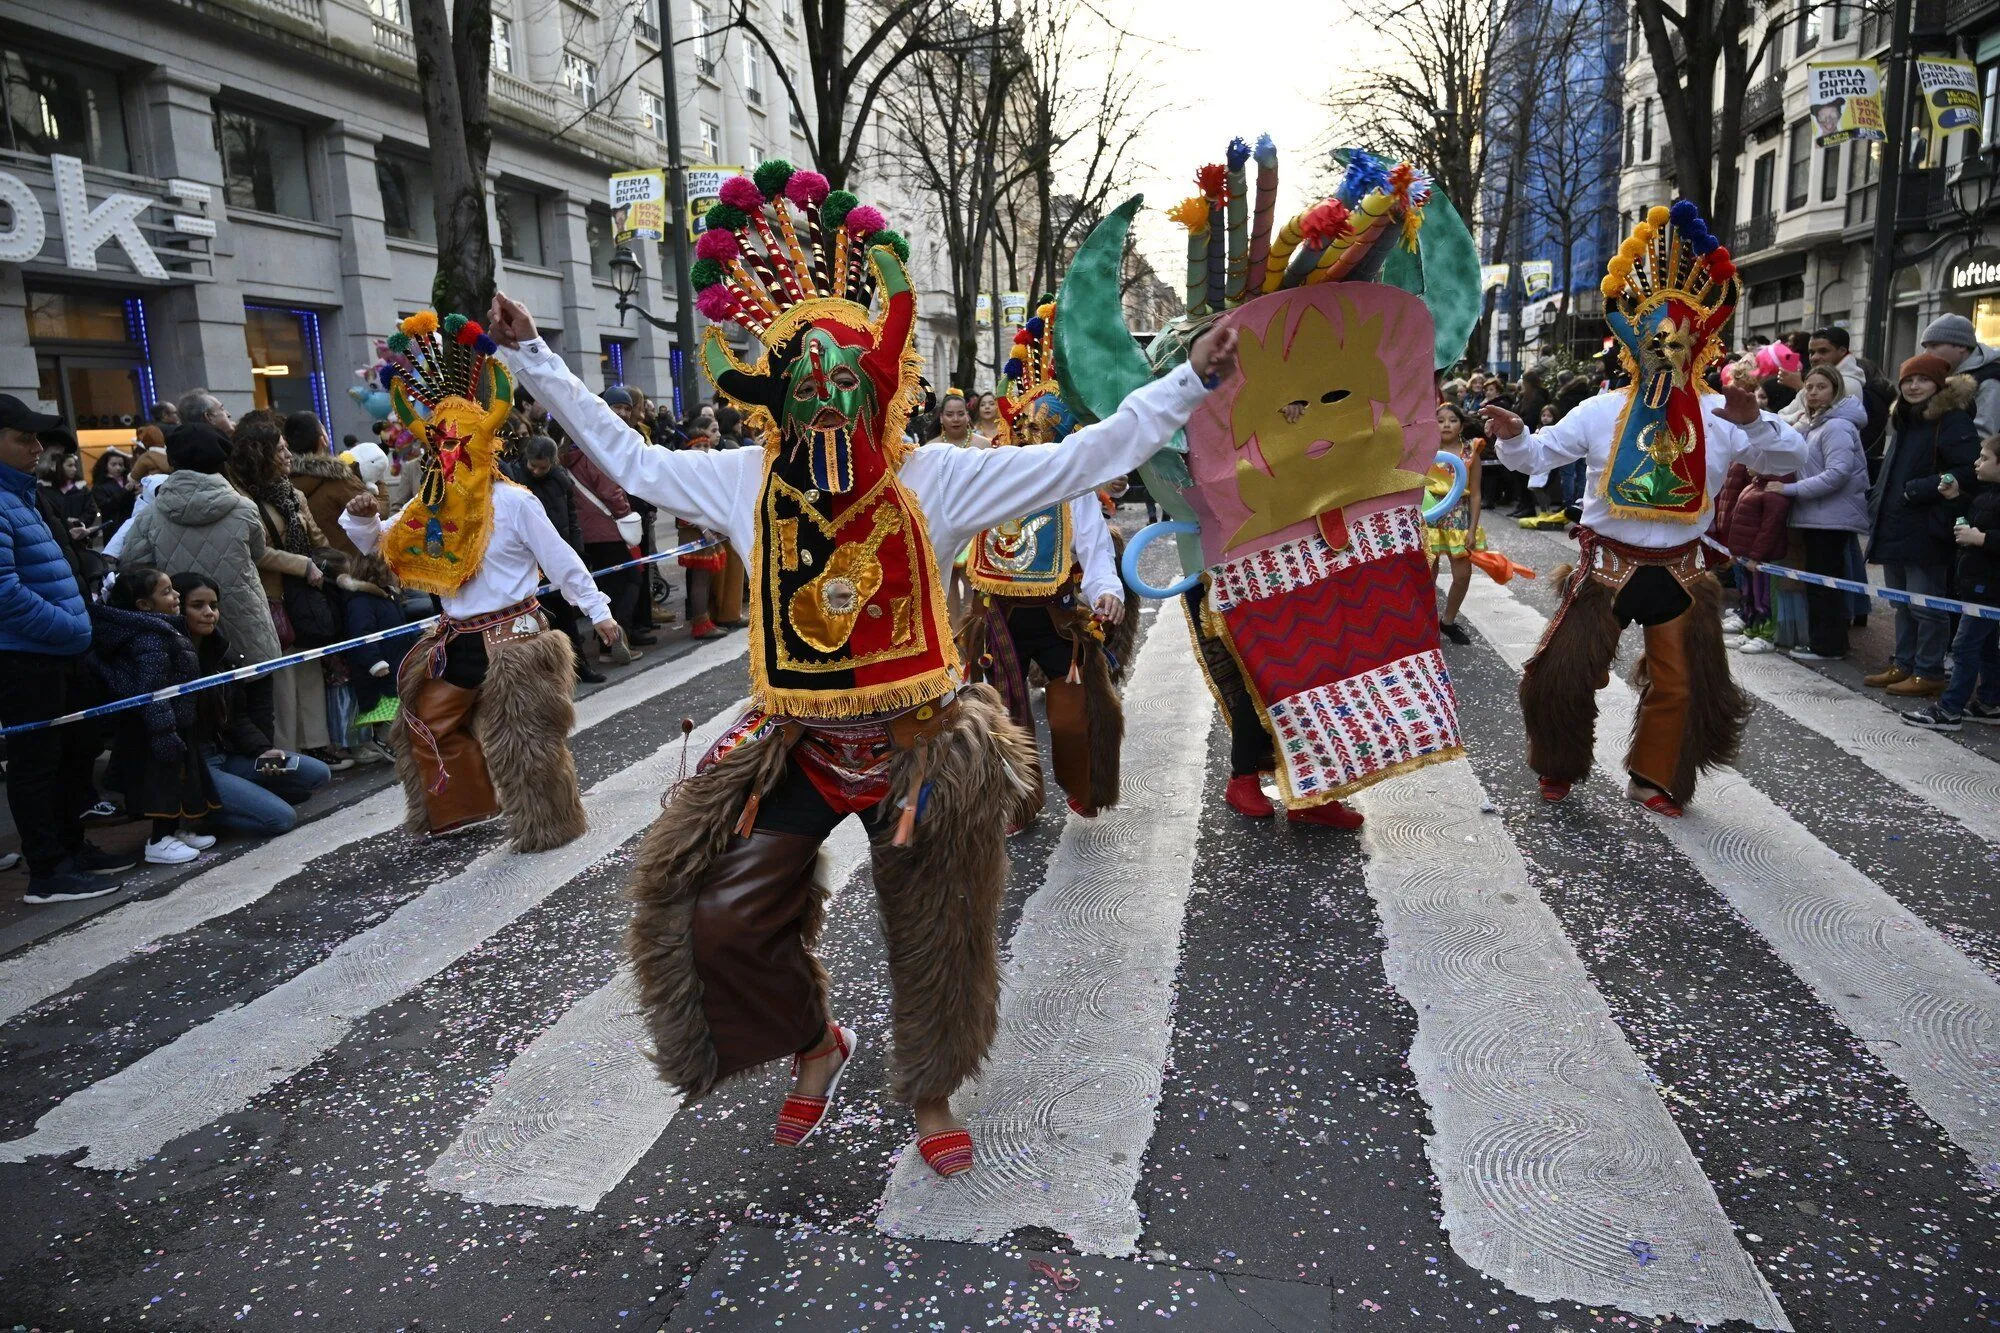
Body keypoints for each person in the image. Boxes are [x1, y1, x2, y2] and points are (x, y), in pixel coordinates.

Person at [486, 162, 1227, 1179]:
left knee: (935, 929)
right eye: (805, 394)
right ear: (774, 402)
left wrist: (1192, 379)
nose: (826, 413)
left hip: (920, 746)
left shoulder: (936, 477)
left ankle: (927, 1090)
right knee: (719, 913)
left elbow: (1085, 457)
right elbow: (628, 457)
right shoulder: (741, 478)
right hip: (798, 745)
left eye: (848, 390)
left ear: (882, 390)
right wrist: (531, 356)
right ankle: (813, 1042)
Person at [1482, 202, 1804, 818]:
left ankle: (1656, 778)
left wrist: (1757, 422)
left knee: (1683, 686)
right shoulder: (1603, 409)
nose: (1668, 349)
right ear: (1635, 342)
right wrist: (1517, 434)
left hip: (1683, 569)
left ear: (1700, 344)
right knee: (1561, 677)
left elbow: (1794, 461)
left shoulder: (1720, 412)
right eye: (1656, 338)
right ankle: (1559, 765)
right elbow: (1535, 460)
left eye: (1680, 340)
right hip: (1606, 567)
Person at [340, 309, 622, 852]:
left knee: (527, 745)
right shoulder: (431, 505)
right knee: (422, 724)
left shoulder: (515, 502)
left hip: (515, 643)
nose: (448, 455)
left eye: (458, 443)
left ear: (482, 444)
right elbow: (378, 542)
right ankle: (465, 808)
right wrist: (361, 517)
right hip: (454, 639)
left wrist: (600, 612)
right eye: (439, 446)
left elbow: (563, 560)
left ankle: (550, 826)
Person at [957, 303, 1130, 828]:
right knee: (1004, 720)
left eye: (1048, 434)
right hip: (996, 618)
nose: (1036, 440)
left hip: (1055, 616)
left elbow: (1095, 550)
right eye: (1029, 430)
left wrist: (1107, 592)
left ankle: (1081, 782)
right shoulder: (981, 477)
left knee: (1070, 715)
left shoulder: (1071, 487)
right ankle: (1016, 803)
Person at [0, 394, 136, 903]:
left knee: (70, 756)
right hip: (26, 657)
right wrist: (68, 626)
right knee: (36, 764)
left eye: (37, 438)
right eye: (22, 438)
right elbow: (5, 592)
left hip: (57, 650)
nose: (36, 448)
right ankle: (48, 869)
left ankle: (71, 849)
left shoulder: (24, 494)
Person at [171, 572, 334, 834]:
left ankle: (236, 796)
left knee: (317, 774)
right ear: (178, 608)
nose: (209, 613)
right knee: (281, 819)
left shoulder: (222, 653)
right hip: (197, 763)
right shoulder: (173, 657)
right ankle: (204, 814)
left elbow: (236, 716)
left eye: (213, 606)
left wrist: (261, 749)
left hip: (228, 755)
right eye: (197, 606)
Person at [119, 423, 282, 674]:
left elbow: (134, 567)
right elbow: (258, 553)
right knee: (258, 707)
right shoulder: (244, 509)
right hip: (247, 624)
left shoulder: (149, 516)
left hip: (183, 634)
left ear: (172, 461)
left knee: (203, 708)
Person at [228, 409, 341, 764]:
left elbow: (315, 537)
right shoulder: (243, 498)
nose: (288, 455)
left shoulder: (292, 494)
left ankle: (317, 745)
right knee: (284, 679)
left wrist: (327, 561)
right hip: (272, 594)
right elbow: (258, 552)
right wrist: (302, 564)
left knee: (309, 670)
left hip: (303, 592)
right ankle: (290, 752)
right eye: (279, 450)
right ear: (262, 456)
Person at [1864, 356, 1980, 697]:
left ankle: (1928, 670)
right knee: (1901, 601)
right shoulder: (1905, 418)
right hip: (1895, 521)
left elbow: (1968, 470)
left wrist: (1921, 489)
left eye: (1923, 380)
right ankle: (1904, 663)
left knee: (1926, 605)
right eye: (1908, 380)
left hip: (1927, 526)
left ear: (1938, 384)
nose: (1914, 386)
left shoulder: (1952, 419)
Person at [91, 567, 221, 864]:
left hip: (176, 721)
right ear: (143, 606)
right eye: (166, 592)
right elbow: (152, 692)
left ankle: (174, 831)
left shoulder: (164, 629)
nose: (176, 596)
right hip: (160, 727)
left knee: (182, 781)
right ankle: (159, 839)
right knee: (162, 786)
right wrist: (164, 731)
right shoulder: (151, 638)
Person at [1769, 366, 1870, 660]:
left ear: (1836, 390)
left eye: (1821, 387)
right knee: (1818, 583)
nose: (1813, 392)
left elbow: (1837, 474)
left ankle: (1828, 646)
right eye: (1809, 387)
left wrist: (1789, 490)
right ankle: (1823, 642)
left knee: (1826, 585)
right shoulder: (1815, 424)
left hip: (1831, 518)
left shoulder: (1838, 426)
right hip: (1817, 515)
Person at [1904, 437, 2000, 730]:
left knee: (1964, 647)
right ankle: (1989, 702)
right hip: (1977, 582)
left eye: (1984, 458)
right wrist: (1955, 498)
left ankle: (1950, 709)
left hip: (1989, 585)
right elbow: (1976, 514)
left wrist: (1982, 539)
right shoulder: (1989, 493)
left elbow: (1985, 530)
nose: (1976, 463)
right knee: (1985, 647)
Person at [504, 433, 605, 683]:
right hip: (530, 561)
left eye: (543, 467)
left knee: (566, 618)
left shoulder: (560, 481)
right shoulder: (515, 481)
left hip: (558, 553)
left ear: (552, 463)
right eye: (533, 466)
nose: (537, 471)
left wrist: (577, 549)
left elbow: (572, 517)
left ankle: (580, 667)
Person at [560, 431, 646, 658]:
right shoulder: (592, 457)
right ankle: (618, 637)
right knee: (631, 581)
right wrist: (625, 514)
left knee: (604, 587)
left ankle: (605, 643)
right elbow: (611, 492)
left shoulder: (564, 459)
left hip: (583, 533)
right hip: (606, 529)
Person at [1426, 402, 1484, 645]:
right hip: (1429, 513)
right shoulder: (1424, 449)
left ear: (1461, 424)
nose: (1446, 424)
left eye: (1452, 420)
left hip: (1459, 516)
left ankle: (1448, 621)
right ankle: (1425, 624)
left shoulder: (1471, 451)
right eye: (1440, 420)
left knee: (1462, 575)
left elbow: (1477, 494)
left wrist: (1472, 529)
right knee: (1427, 573)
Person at [283, 410, 370, 559]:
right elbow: (374, 514)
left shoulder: (283, 481)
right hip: (351, 565)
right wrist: (377, 483)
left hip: (312, 567)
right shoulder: (339, 479)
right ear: (321, 440)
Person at [1917, 312, 2000, 438]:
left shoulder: (1990, 380)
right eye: (1925, 347)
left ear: (1961, 346)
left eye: (1933, 345)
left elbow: (1981, 437)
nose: (1925, 353)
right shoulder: (1948, 375)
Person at [91, 447, 135, 541]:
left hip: (131, 523)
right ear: (106, 466)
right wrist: (125, 491)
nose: (118, 468)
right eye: (114, 464)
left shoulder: (128, 480)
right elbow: (105, 505)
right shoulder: (100, 486)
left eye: (121, 464)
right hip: (114, 528)